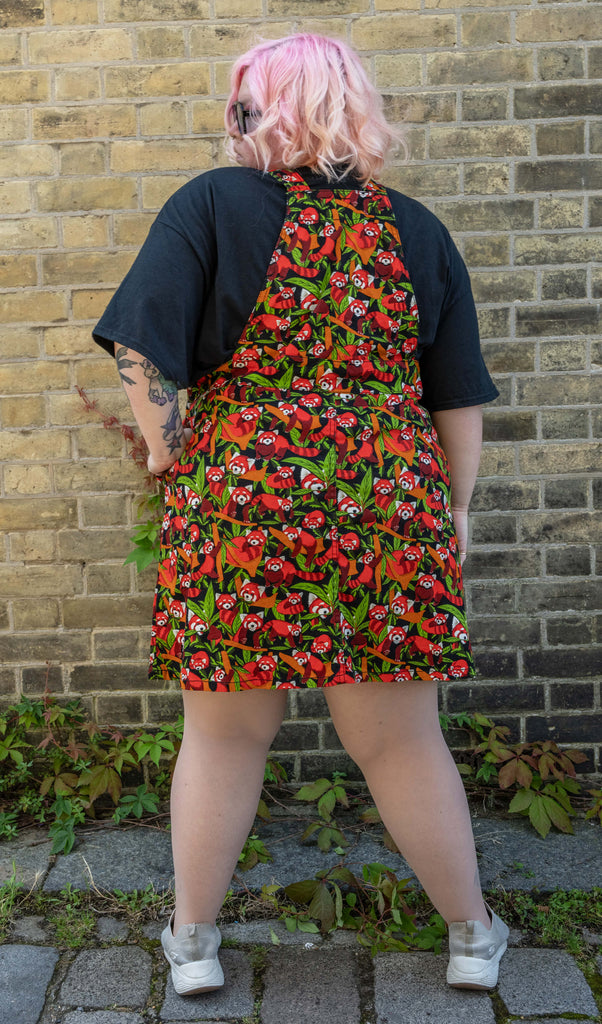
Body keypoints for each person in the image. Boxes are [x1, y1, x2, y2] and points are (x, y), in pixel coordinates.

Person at [92, 32, 509, 998]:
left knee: (224, 736)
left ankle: (195, 944)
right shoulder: (417, 230)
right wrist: (452, 511)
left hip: (243, 500)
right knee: (400, 739)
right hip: (384, 505)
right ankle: (472, 939)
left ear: (258, 110)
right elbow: (457, 399)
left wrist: (166, 452)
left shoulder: (210, 204)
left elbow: (142, 352)